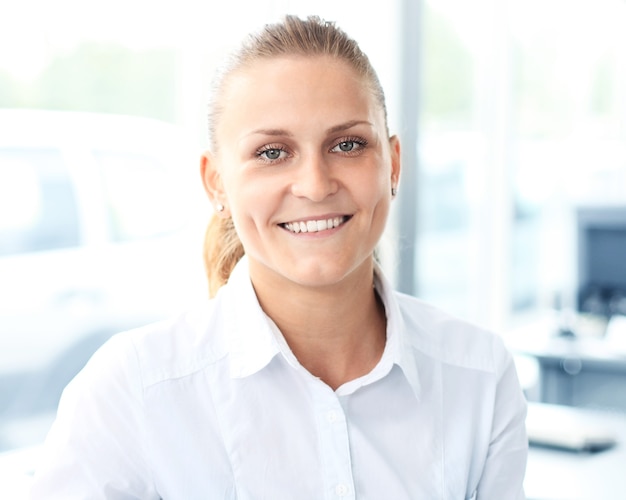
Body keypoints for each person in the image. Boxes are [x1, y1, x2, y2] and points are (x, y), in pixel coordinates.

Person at [30, 15, 528, 499]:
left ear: (392, 164)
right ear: (216, 182)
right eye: (272, 152)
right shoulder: (131, 391)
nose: (314, 185)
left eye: (348, 144)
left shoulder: (478, 376)